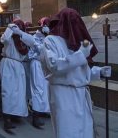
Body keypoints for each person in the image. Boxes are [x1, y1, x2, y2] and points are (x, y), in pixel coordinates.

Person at [41, 8, 111, 138]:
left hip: (80, 93)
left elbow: (80, 68)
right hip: (63, 94)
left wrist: (99, 72)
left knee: (84, 131)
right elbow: (54, 65)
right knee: (68, 131)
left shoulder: (76, 41)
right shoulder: (51, 41)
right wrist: (80, 55)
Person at [0, 19, 35, 130]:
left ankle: (15, 114)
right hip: (8, 64)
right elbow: (3, 40)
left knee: (19, 92)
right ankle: (7, 119)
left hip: (19, 65)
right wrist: (9, 29)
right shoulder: (9, 38)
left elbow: (32, 42)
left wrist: (20, 33)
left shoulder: (23, 38)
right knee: (8, 92)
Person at [27, 17, 51, 128]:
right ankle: (35, 117)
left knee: (45, 89)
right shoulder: (35, 37)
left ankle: (41, 110)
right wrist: (46, 37)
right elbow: (41, 49)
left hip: (44, 65)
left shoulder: (48, 37)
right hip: (36, 64)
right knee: (37, 89)